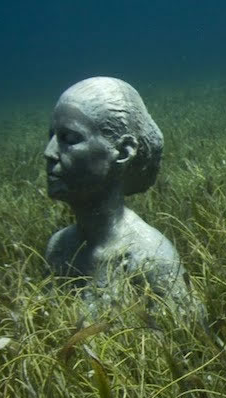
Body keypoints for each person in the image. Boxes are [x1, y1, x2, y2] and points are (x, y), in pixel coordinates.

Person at [43, 76, 198, 314]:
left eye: (70, 139)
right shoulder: (58, 248)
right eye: (51, 136)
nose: (49, 152)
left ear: (123, 152)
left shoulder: (152, 260)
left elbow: (188, 343)